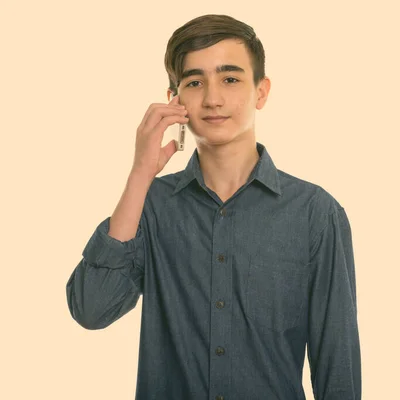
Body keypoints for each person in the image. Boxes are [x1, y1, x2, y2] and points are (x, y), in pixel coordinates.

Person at [66, 14, 361, 400]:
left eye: (231, 78)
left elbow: (336, 360)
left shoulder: (315, 213)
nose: (212, 98)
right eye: (194, 82)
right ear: (175, 99)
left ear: (261, 91)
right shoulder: (150, 205)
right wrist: (140, 174)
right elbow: (92, 309)